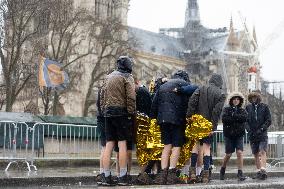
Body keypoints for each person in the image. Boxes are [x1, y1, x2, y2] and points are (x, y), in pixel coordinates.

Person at [100, 56, 136, 186]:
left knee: (109, 144)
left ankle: (106, 175)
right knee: (122, 144)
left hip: (108, 113)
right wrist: (131, 112)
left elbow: (102, 96)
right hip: (121, 113)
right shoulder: (127, 77)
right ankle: (122, 176)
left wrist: (105, 110)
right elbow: (131, 97)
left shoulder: (108, 77)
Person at [150, 70, 190, 185]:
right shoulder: (185, 85)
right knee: (177, 146)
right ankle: (172, 173)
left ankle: (163, 174)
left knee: (166, 146)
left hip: (163, 120)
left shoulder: (163, 86)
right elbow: (188, 104)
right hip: (177, 120)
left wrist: (154, 118)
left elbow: (154, 104)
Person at [187, 73, 226, 183]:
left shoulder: (200, 88)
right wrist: (212, 127)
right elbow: (216, 112)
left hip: (197, 121)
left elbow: (192, 102)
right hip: (208, 123)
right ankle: (205, 175)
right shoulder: (221, 94)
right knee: (206, 148)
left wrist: (189, 117)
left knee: (195, 146)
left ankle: (193, 173)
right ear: (220, 83)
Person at [220, 92, 248, 181]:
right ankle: (222, 169)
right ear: (231, 100)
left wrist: (233, 116)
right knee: (228, 154)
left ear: (240, 101)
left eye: (238, 99)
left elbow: (244, 119)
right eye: (234, 99)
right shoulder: (226, 109)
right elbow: (224, 119)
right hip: (229, 135)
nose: (236, 101)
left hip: (239, 134)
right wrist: (236, 118)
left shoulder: (242, 110)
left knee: (239, 152)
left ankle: (240, 173)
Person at [246, 91, 271, 180]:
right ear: (250, 99)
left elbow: (268, 120)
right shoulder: (248, 108)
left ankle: (263, 170)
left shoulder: (265, 107)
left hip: (262, 133)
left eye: (255, 98)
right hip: (252, 134)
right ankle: (258, 171)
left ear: (258, 98)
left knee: (262, 151)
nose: (254, 99)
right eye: (252, 98)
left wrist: (262, 129)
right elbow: (246, 121)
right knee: (256, 153)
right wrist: (249, 130)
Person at [95, 87, 106, 185]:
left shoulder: (100, 89)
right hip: (105, 120)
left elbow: (99, 106)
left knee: (103, 148)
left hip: (100, 120)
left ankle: (102, 171)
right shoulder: (106, 89)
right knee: (106, 148)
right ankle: (104, 173)